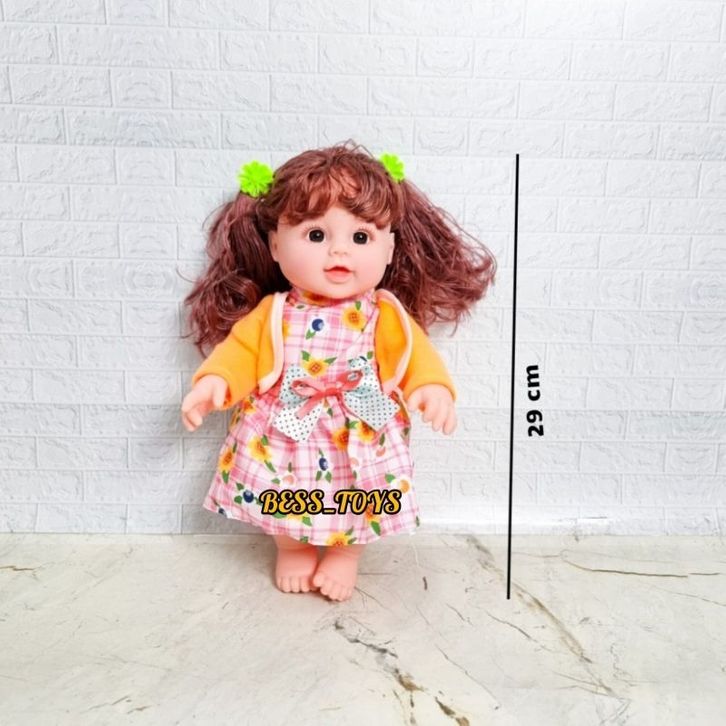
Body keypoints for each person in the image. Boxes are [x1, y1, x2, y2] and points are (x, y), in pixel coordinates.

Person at [181, 140, 496, 601]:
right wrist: (215, 382)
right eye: (315, 235)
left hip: (360, 429)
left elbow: (417, 356)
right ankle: (292, 546)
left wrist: (432, 389)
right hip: (286, 427)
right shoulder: (274, 313)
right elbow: (241, 352)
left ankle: (345, 555)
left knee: (361, 494)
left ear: (389, 249)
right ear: (275, 245)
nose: (338, 253)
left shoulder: (383, 313)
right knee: (280, 489)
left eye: (360, 238)